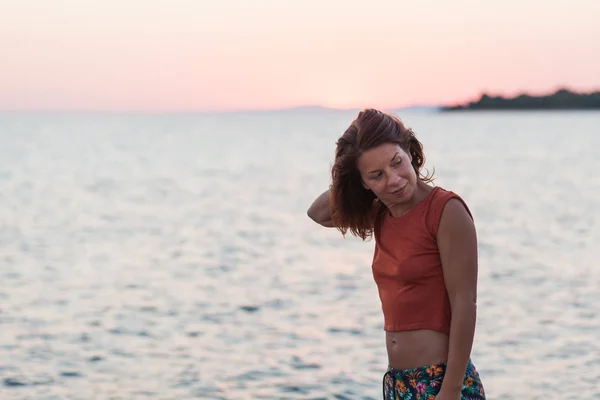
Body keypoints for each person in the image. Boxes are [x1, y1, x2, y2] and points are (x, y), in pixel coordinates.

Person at [307, 109, 486, 400]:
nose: (394, 180)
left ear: (409, 151)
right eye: (377, 175)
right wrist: (348, 177)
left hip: (440, 381)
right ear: (363, 182)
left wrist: (451, 389)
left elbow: (465, 303)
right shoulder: (382, 213)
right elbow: (318, 213)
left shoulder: (445, 211)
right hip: (397, 383)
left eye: (396, 163)